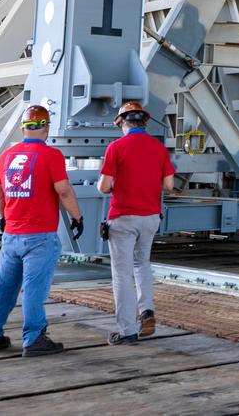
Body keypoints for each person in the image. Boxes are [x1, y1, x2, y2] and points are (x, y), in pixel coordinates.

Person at [0, 105, 84, 358]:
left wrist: (4, 216)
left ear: (23, 128)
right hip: (39, 236)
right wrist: (77, 216)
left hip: (12, 234)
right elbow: (64, 190)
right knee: (34, 289)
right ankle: (34, 339)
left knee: (3, 287)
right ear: (46, 128)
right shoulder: (51, 155)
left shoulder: (6, 156)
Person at [99, 101, 174, 345]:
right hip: (150, 217)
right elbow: (168, 186)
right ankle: (148, 311)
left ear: (122, 122)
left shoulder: (116, 147)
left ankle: (128, 331)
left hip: (123, 217)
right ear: (144, 122)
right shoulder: (159, 148)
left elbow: (104, 186)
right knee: (142, 264)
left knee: (121, 274)